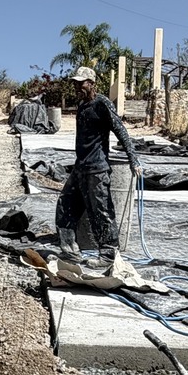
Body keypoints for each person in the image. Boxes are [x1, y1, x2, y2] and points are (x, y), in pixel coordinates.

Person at [53, 65, 141, 262]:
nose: (77, 87)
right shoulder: (82, 106)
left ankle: (108, 255)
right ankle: (69, 250)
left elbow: (120, 130)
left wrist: (133, 158)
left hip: (97, 169)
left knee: (100, 211)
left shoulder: (102, 104)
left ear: (91, 83)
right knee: (65, 205)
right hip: (81, 167)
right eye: (75, 84)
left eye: (81, 83)